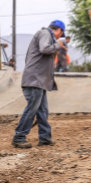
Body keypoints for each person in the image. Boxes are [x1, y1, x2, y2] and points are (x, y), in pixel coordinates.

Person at [12, 20, 65, 148]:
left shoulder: (45, 35)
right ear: (58, 30)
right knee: (32, 109)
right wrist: (58, 45)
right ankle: (19, 137)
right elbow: (44, 49)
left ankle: (45, 137)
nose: (60, 37)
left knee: (42, 110)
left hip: (39, 81)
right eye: (61, 34)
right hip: (34, 80)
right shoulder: (45, 33)